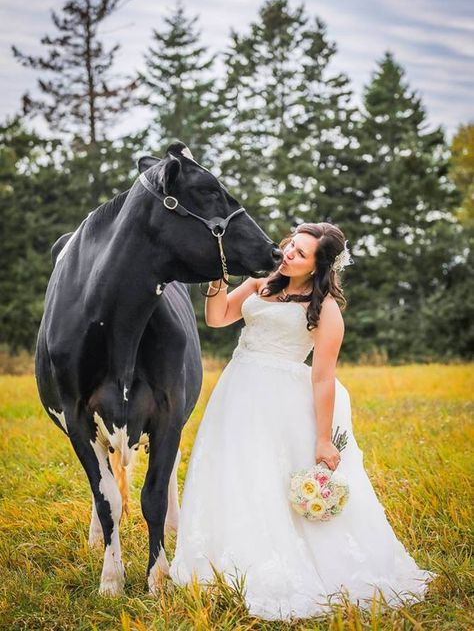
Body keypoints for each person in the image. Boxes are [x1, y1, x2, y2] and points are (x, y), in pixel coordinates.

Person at [169, 222, 437, 621]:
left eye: (301, 252)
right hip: (237, 390)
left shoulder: (325, 308)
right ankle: (225, 562)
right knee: (231, 473)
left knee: (269, 480)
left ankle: (278, 567)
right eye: (290, 245)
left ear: (319, 265)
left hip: (281, 401)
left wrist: (324, 439)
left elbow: (323, 376)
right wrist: (216, 282)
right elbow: (218, 318)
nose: (289, 254)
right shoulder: (263, 280)